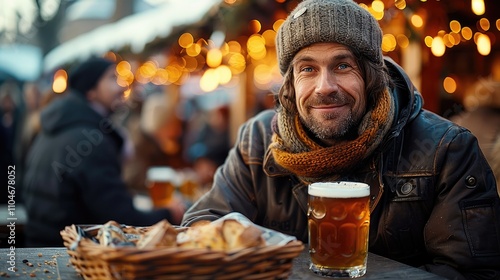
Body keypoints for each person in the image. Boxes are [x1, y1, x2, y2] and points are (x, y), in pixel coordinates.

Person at [181, 0, 500, 279]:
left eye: (342, 65)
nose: (324, 86)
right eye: (307, 69)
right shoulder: (260, 139)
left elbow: (472, 272)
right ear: (290, 83)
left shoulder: (447, 148)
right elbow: (202, 226)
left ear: (372, 76)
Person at [23, 57, 184, 247]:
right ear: (91, 91)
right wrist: (168, 214)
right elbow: (120, 217)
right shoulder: (91, 138)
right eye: (112, 79)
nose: (122, 87)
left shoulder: (58, 126)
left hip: (42, 245)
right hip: (66, 253)